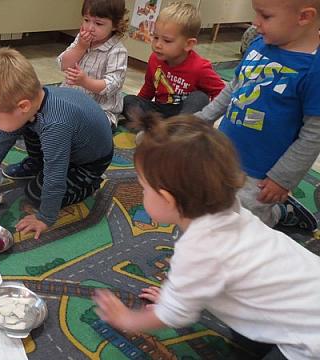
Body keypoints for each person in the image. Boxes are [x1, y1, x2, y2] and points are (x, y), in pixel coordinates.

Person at [93, 113, 320, 360]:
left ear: (167, 199)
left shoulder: (199, 248)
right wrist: (179, 295)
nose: (142, 192)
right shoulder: (229, 206)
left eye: (144, 187)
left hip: (310, 339)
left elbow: (174, 316)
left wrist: (128, 318)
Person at [0, 48, 113, 239]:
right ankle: (38, 164)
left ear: (23, 106)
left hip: (89, 162)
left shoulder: (54, 126)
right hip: (68, 142)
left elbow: (55, 176)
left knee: (35, 193)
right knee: (20, 126)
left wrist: (45, 218)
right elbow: (4, 136)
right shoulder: (32, 104)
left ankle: (90, 184)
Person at [195, 0, 320, 230]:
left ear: (304, 17)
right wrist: (203, 118)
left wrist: (282, 178)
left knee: (246, 224)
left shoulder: (314, 68)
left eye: (265, 16)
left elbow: (313, 134)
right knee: (211, 201)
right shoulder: (258, 43)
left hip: (261, 171)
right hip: (223, 150)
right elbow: (234, 86)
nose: (255, 22)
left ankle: (279, 213)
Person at [122, 2, 224, 123]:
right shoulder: (154, 59)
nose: (158, 45)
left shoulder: (200, 68)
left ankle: (176, 131)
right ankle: (162, 130)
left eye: (167, 41)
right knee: (128, 100)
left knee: (200, 98)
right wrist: (136, 106)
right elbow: (148, 88)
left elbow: (222, 93)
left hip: (184, 115)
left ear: (188, 44)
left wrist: (207, 119)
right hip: (160, 111)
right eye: (155, 37)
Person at [57, 0, 129, 129]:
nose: (90, 28)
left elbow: (112, 85)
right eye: (86, 20)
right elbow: (63, 64)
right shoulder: (81, 40)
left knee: (85, 127)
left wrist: (85, 81)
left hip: (100, 110)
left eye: (98, 23)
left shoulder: (117, 51)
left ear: (115, 25)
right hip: (70, 100)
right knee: (43, 106)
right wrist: (80, 47)